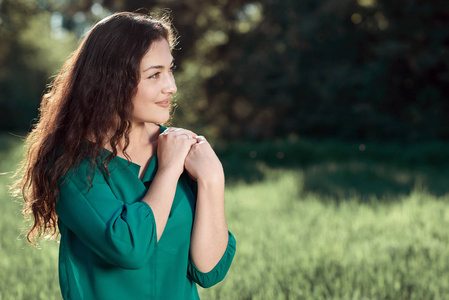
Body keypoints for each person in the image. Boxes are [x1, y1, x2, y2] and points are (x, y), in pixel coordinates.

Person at [13, 11, 236, 299]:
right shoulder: (73, 166)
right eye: (155, 74)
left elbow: (208, 270)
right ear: (111, 81)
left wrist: (212, 179)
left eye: (170, 70)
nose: (172, 86)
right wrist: (168, 172)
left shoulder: (181, 149)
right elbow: (131, 248)